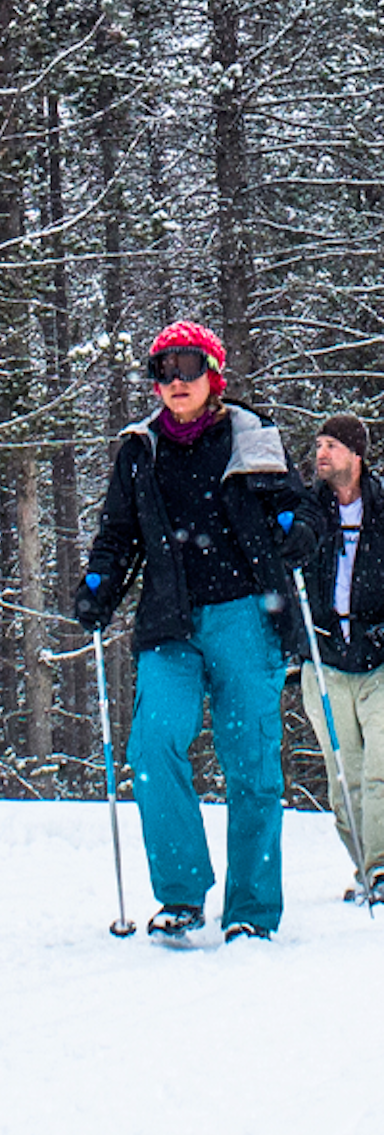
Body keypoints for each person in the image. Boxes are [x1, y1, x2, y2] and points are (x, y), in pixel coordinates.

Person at [72, 321, 298, 941]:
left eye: (188, 367)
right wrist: (98, 588)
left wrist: (294, 526)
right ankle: (180, 893)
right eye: (163, 370)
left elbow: (293, 507)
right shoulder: (139, 449)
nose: (175, 381)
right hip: (169, 619)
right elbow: (117, 536)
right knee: (152, 745)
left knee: (249, 757)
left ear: (213, 375)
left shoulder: (252, 437)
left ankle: (251, 908)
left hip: (246, 614)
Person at [285, 413, 384, 904]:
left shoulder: (381, 507)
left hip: (380, 658)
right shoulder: (312, 510)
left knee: (381, 769)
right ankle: (369, 868)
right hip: (325, 660)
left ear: (356, 454)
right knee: (344, 776)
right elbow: (287, 562)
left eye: (332, 446)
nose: (322, 453)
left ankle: (382, 867)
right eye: (319, 444)